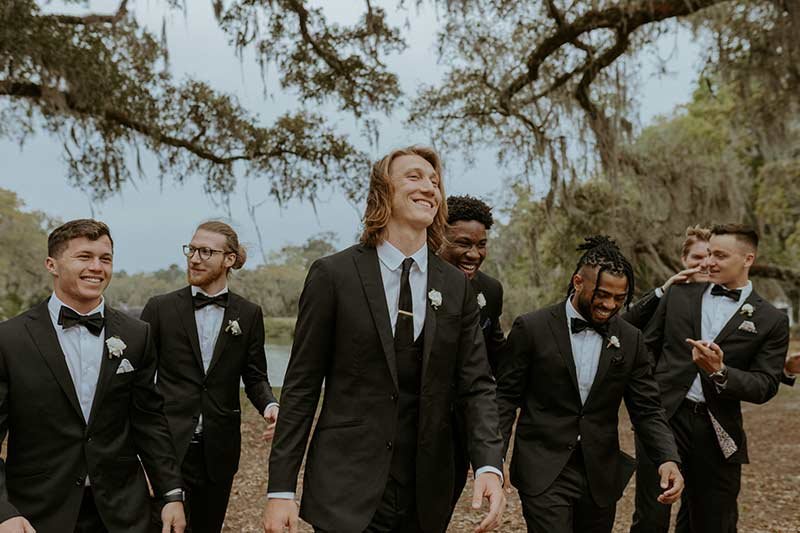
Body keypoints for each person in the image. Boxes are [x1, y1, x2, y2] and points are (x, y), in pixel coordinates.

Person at [262, 146, 505, 533]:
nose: (429, 187)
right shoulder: (333, 275)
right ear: (382, 191)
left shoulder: (455, 285)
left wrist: (489, 463)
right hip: (345, 486)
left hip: (426, 491)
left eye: (435, 181)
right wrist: (280, 489)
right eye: (414, 177)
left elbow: (477, 383)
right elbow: (303, 385)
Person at [0, 219, 185, 533]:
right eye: (84, 257)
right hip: (36, 512)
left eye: (106, 258)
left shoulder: (137, 335)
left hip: (122, 511)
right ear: (52, 265)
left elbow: (149, 421)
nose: (97, 267)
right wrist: (3, 511)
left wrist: (171, 494)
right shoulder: (9, 339)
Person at [496, 236, 683, 533]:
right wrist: (494, 459)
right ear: (578, 281)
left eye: (619, 299)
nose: (609, 305)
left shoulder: (631, 339)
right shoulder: (531, 328)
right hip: (543, 467)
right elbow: (505, 398)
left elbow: (647, 408)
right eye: (603, 295)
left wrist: (667, 458)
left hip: (600, 473)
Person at [630, 224, 790, 533]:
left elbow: (765, 384)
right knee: (651, 516)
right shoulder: (679, 293)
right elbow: (646, 349)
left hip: (718, 428)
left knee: (713, 520)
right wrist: (647, 400)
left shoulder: (771, 319)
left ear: (748, 259)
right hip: (664, 418)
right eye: (708, 253)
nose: (709, 262)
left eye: (720, 255)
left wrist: (721, 372)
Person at [141, 221, 279, 532]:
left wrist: (271, 407)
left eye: (206, 251)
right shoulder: (160, 308)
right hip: (167, 447)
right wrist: (139, 451)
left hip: (218, 451)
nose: (194, 258)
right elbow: (139, 383)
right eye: (191, 249)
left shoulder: (248, 313)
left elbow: (255, 376)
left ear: (229, 259)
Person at [438, 194, 506, 514]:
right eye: (463, 243)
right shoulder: (418, 280)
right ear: (439, 236)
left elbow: (494, 360)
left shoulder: (490, 291)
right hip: (405, 425)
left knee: (436, 514)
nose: (473, 254)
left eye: (481, 245)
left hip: (457, 433)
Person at [623, 225, 711, 330]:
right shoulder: (667, 294)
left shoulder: (731, 296)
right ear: (684, 259)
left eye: (710, 256)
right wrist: (664, 289)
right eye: (697, 257)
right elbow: (625, 323)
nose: (705, 264)